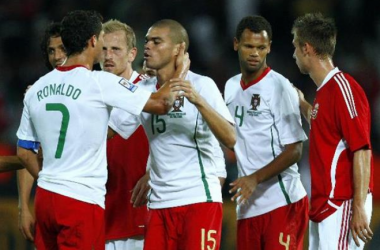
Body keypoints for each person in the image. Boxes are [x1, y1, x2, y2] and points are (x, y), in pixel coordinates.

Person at [16, 10, 187, 250]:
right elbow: (162, 104)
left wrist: (49, 182)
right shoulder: (98, 82)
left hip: (46, 197)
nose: (106, 53)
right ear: (93, 41)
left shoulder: (35, 89)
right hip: (80, 200)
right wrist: (180, 70)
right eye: (102, 44)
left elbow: (24, 153)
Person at [109, 19, 235, 250]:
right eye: (147, 41)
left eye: (157, 42)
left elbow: (231, 139)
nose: (148, 47)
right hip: (158, 205)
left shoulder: (201, 84)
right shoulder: (144, 92)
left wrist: (199, 101)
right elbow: (109, 131)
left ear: (178, 49)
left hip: (198, 200)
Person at [225, 16, 308, 250]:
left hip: (282, 200)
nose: (255, 53)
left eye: (261, 47)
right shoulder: (230, 86)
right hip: (247, 205)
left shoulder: (279, 86)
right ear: (236, 44)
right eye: (249, 46)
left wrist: (254, 178)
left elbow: (295, 150)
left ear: (269, 47)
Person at [292, 13, 373, 249]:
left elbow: (362, 149)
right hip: (325, 207)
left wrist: (358, 208)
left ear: (306, 48)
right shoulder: (325, 92)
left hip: (343, 205)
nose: (293, 54)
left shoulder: (343, 88)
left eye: (295, 46)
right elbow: (322, 124)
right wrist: (302, 103)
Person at [100, 19, 149, 250]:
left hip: (140, 216)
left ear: (132, 54)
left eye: (116, 49)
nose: (108, 56)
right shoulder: (90, 93)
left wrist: (155, 173)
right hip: (101, 215)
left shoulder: (151, 90)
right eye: (103, 49)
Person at [17, 21, 67, 242]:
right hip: (51, 202)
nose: (56, 56)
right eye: (51, 50)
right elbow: (27, 152)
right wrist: (23, 207)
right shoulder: (37, 94)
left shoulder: (96, 86)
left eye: (62, 48)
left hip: (91, 197)